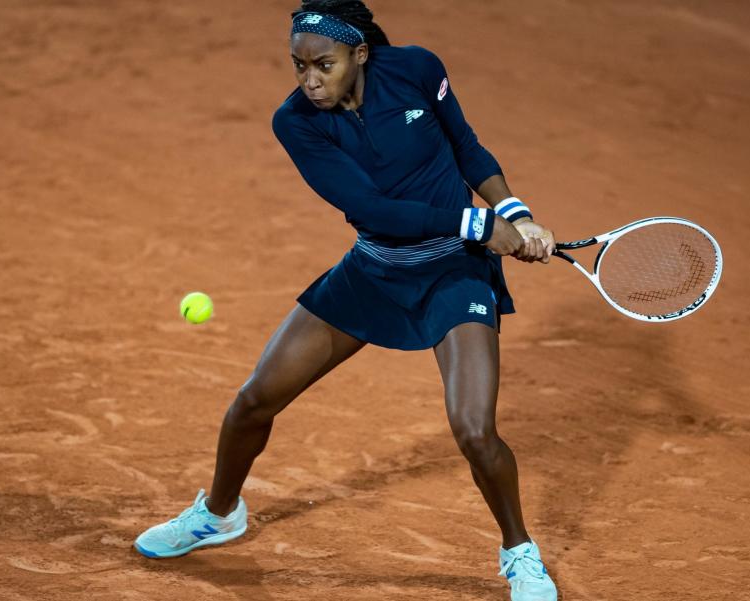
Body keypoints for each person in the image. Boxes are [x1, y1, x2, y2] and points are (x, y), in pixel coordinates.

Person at [135, 1, 558, 599]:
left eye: (324, 65)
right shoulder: (296, 123)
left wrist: (514, 212)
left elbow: (465, 145)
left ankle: (519, 552)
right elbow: (372, 210)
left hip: (454, 278)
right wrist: (477, 223)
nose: (309, 81)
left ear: (360, 54)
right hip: (373, 274)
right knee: (255, 401)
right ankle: (219, 513)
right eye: (298, 66)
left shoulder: (415, 69)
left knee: (472, 429)